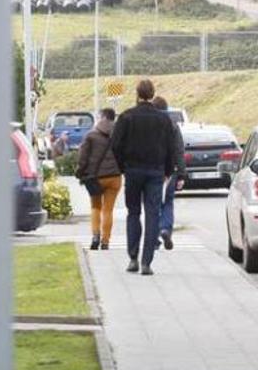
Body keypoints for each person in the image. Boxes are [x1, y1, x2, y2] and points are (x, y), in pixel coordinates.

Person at [110, 79, 178, 276]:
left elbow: (115, 145)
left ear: (137, 94)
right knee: (152, 215)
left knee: (133, 212)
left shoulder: (126, 117)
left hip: (133, 170)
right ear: (152, 94)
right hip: (156, 172)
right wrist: (167, 171)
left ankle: (133, 257)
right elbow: (171, 148)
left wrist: (123, 165)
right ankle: (147, 261)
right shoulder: (163, 120)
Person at [77, 109, 123, 251]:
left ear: (102, 117)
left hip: (96, 178)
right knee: (108, 210)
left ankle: (95, 236)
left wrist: (79, 172)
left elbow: (82, 158)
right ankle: (105, 241)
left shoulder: (91, 135)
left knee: (96, 207)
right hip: (115, 177)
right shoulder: (119, 135)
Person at [153, 96, 186, 250]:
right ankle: (166, 229)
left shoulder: (149, 125)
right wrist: (181, 174)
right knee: (168, 202)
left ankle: (155, 236)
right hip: (170, 171)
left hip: (153, 169)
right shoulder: (173, 126)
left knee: (153, 204)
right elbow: (179, 151)